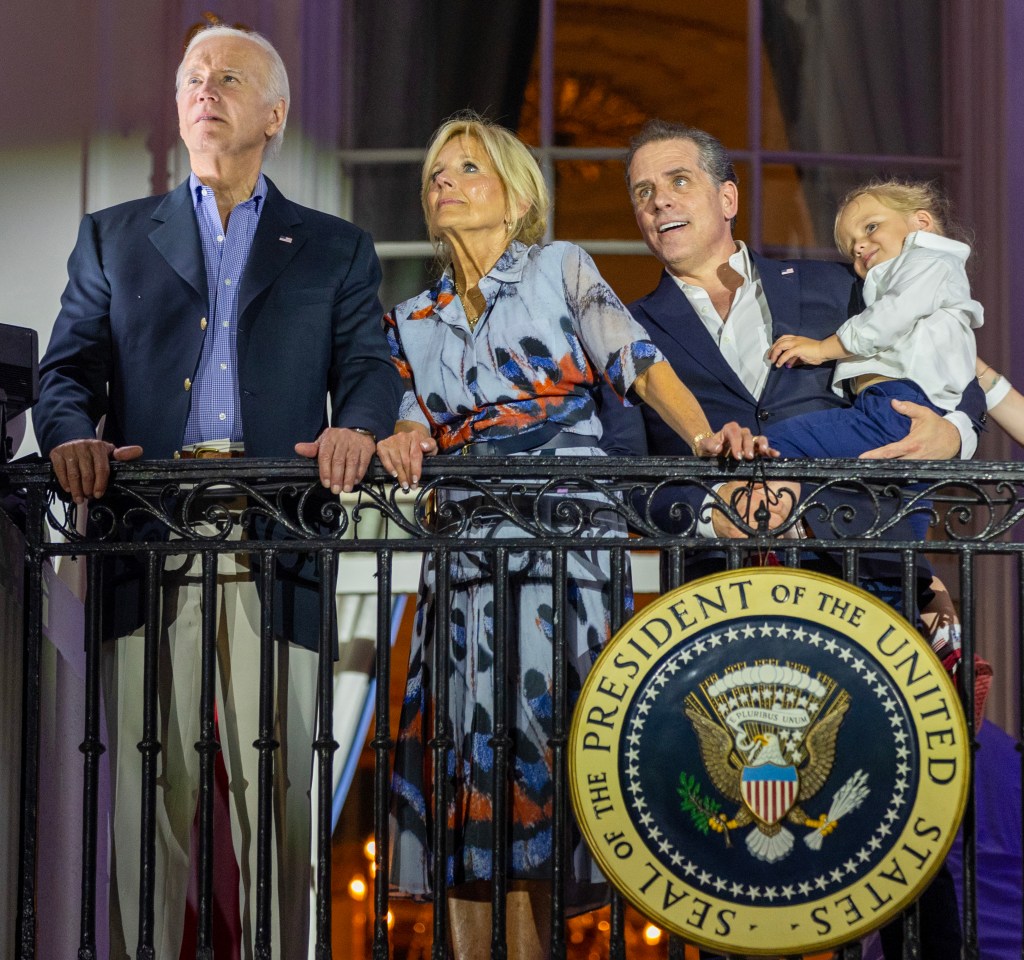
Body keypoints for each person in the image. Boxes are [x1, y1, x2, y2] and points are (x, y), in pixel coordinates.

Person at [33, 24, 402, 960]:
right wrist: (72, 434)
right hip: (148, 535)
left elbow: (367, 366)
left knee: (283, 796)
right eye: (193, 77)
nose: (206, 89)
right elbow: (66, 369)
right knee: (149, 796)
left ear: (272, 115)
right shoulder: (112, 236)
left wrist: (358, 425)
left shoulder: (335, 248)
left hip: (277, 538)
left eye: (229, 77)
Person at [376, 112, 767, 960]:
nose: (444, 181)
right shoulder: (411, 317)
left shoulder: (561, 268)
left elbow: (638, 362)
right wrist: (401, 436)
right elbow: (407, 417)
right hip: (467, 570)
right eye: (436, 172)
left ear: (516, 198)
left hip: (566, 561)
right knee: (466, 783)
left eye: (467, 167)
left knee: (547, 774)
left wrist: (705, 440)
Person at [616, 119, 985, 960]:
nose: (657, 201)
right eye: (642, 190)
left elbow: (942, 360)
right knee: (720, 855)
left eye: (675, 180)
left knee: (901, 834)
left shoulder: (833, 287)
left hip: (867, 578)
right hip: (716, 615)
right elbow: (625, 476)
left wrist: (954, 434)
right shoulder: (629, 330)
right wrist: (711, 514)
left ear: (726, 197)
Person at [765, 179, 983, 458]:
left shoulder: (931, 262)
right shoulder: (911, 275)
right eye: (850, 246)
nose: (858, 247)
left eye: (871, 227)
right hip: (885, 406)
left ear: (922, 222)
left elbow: (890, 317)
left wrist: (822, 349)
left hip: (900, 406)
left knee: (776, 443)